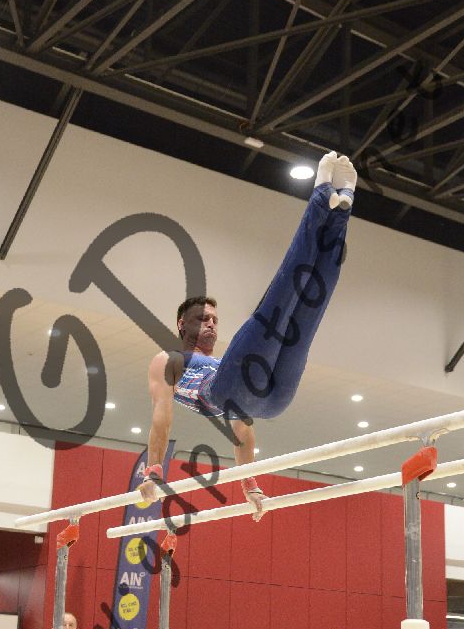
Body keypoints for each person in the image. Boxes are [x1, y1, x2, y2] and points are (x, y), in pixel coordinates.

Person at [138, 152, 357, 518]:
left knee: (301, 305)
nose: (211, 323)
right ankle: (326, 200)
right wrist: (154, 471)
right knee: (294, 306)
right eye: (202, 318)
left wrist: (249, 485)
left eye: (214, 318)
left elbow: (242, 431)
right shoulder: (168, 360)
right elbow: (162, 418)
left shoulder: (226, 363)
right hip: (254, 398)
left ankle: (338, 207)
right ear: (181, 325)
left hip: (253, 399)